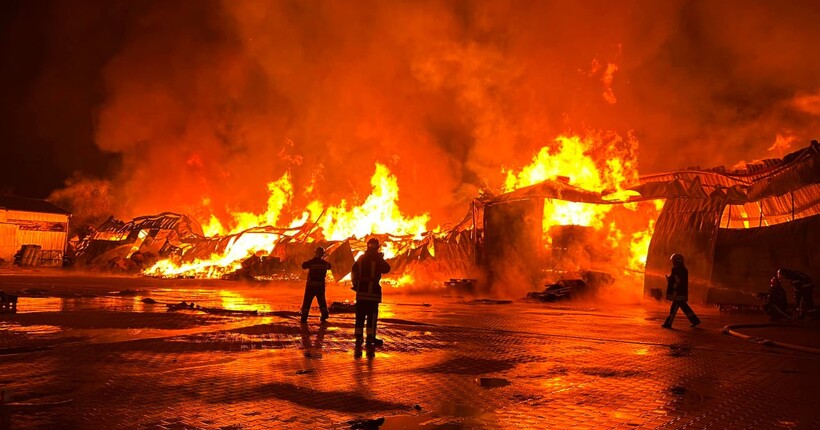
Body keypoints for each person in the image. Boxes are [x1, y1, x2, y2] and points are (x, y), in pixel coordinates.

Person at [351, 238, 391, 356]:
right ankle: (370, 338)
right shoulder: (378, 259)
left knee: (360, 316)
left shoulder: (361, 258)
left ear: (367, 246)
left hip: (361, 292)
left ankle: (358, 337)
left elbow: (354, 271)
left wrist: (355, 285)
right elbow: (387, 269)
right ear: (377, 247)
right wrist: (381, 257)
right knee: (372, 317)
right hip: (373, 293)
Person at [661, 253, 701, 329]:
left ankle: (668, 324)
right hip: (682, 293)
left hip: (677, 294)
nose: (672, 262)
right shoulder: (684, 269)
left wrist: (669, 280)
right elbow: (680, 280)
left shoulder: (675, 269)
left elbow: (677, 281)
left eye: (673, 261)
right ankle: (695, 321)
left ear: (676, 261)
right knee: (685, 308)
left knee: (673, 309)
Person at [300, 246, 332, 324]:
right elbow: (329, 266)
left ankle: (304, 317)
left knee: (307, 301)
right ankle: (324, 315)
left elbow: (303, 266)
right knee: (322, 301)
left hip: (311, 286)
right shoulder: (325, 263)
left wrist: (312, 260)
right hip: (320, 286)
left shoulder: (311, 262)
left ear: (315, 253)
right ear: (323, 254)